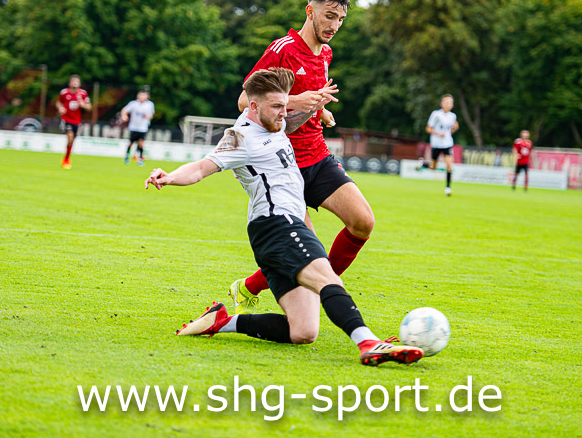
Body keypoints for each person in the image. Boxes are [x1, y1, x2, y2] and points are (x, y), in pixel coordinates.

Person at [145, 68, 422, 367]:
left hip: (274, 232)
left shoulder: (273, 123)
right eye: (277, 106)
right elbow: (201, 167)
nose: (283, 112)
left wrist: (315, 108)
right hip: (278, 225)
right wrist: (169, 177)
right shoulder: (240, 137)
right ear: (253, 106)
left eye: (285, 105)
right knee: (327, 278)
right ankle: (368, 343)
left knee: (303, 331)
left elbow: (288, 122)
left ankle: (223, 321)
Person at [228, 0, 375, 315]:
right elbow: (244, 102)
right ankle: (328, 292)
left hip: (317, 155)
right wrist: (296, 100)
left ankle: (252, 286)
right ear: (310, 11)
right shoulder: (282, 49)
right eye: (329, 16)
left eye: (340, 19)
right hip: (283, 164)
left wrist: (319, 110)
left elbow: (311, 94)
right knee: (308, 252)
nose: (334, 25)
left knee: (363, 221)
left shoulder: (326, 54)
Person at [423, 94, 459, 196]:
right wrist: (438, 134)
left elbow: (451, 130)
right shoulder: (436, 114)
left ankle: (448, 188)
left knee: (449, 166)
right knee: (433, 167)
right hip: (436, 143)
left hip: (447, 143)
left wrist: (455, 128)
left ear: (452, 105)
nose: (448, 104)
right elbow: (428, 129)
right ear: (441, 104)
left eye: (450, 103)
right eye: (446, 102)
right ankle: (423, 164)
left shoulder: (453, 116)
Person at [56, 75, 91, 169]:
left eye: (77, 82)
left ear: (79, 84)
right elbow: (58, 102)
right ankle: (66, 160)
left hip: (77, 121)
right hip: (66, 119)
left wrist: (83, 104)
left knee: (72, 141)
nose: (75, 83)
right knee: (70, 137)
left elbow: (89, 107)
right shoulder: (64, 92)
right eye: (73, 82)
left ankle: (67, 156)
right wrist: (60, 108)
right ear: (70, 83)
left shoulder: (83, 94)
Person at [121, 89, 155, 166]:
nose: (142, 97)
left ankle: (140, 159)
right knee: (131, 143)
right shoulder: (133, 103)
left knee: (141, 143)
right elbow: (124, 110)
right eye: (141, 95)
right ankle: (127, 156)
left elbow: (151, 116)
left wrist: (147, 116)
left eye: (144, 95)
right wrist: (124, 116)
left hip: (143, 127)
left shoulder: (150, 105)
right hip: (133, 127)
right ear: (138, 96)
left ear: (147, 97)